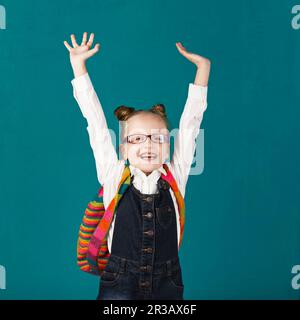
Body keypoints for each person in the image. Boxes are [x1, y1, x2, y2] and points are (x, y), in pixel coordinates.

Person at [64, 32, 211, 300]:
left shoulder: (175, 174)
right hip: (119, 279)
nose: (148, 145)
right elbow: (94, 121)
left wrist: (203, 70)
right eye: (137, 138)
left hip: (167, 281)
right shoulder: (113, 172)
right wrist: (78, 66)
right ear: (123, 148)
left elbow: (192, 123)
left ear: (168, 146)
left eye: (158, 138)